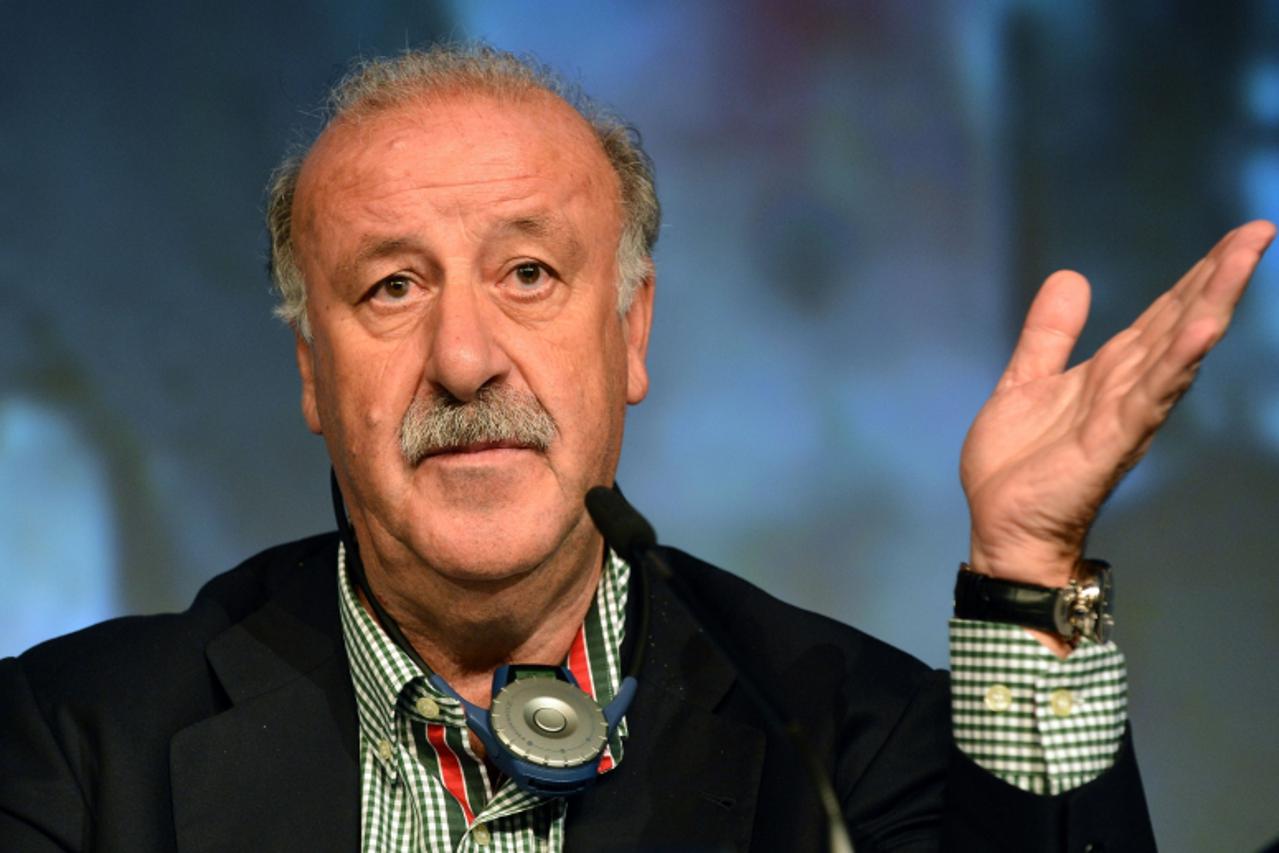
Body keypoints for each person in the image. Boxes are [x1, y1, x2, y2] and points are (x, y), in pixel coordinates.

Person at [0, 43, 1271, 852]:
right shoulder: (74, 745)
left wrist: (1030, 567)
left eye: (531, 273)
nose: (463, 358)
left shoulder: (843, 738)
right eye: (390, 287)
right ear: (310, 376)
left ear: (633, 334)